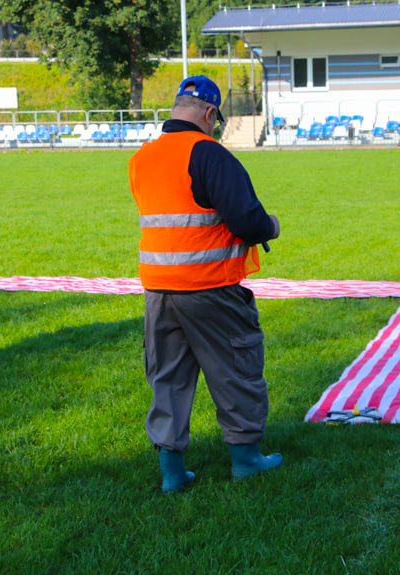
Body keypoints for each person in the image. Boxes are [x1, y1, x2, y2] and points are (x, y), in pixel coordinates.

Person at [128, 75, 282, 493]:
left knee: (168, 378)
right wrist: (272, 226)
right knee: (236, 370)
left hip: (159, 289)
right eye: (216, 119)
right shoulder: (210, 154)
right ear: (210, 113)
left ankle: (173, 474)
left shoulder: (142, 157)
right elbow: (249, 223)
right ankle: (247, 461)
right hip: (211, 287)